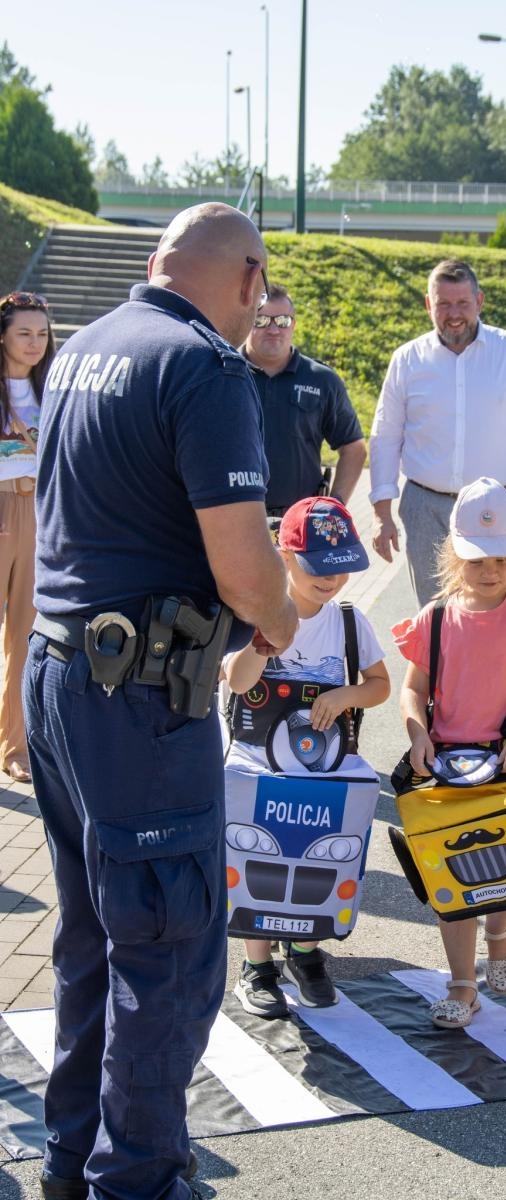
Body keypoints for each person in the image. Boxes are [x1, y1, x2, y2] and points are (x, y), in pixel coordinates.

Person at [24, 203, 298, 1199]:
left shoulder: (86, 346)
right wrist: (275, 619)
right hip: (139, 700)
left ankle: (71, 1157)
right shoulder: (203, 365)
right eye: (259, 292)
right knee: (167, 946)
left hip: (60, 680)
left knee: (94, 933)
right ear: (245, 277)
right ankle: (137, 1177)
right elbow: (241, 563)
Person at [393, 478, 506, 1028]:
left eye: (501, 558)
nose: (490, 570)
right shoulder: (436, 618)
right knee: (455, 874)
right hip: (449, 763)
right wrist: (417, 733)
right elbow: (412, 690)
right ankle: (462, 984)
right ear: (452, 555)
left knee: (502, 870)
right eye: (475, 560)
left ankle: (501, 932)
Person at [224, 496, 390, 1016]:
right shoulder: (254, 611)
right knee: (257, 856)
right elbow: (234, 682)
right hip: (256, 762)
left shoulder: (347, 622)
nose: (332, 581)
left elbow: (380, 686)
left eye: (341, 571)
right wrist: (261, 642)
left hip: (323, 766)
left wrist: (344, 695)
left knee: (315, 850)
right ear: (283, 557)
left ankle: (305, 950)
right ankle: (257, 965)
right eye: (318, 568)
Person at [370, 260, 506, 607]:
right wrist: (382, 515)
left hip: (499, 506)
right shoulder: (407, 360)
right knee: (436, 615)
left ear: (480, 301)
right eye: (443, 304)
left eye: (462, 303)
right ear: (429, 305)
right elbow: (384, 436)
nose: (453, 314)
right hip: (426, 507)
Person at [241, 284, 366, 516]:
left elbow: (354, 447)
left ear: (294, 324)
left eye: (282, 321)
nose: (273, 329)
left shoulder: (322, 380)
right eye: (261, 320)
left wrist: (333, 507)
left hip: (300, 522)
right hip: (234, 518)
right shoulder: (223, 373)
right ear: (247, 320)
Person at [0, 291, 54, 783]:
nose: (35, 342)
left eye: (42, 332)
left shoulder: (53, 387)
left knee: (24, 636)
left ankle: (14, 747)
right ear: (3, 335)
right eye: (24, 332)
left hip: (39, 511)